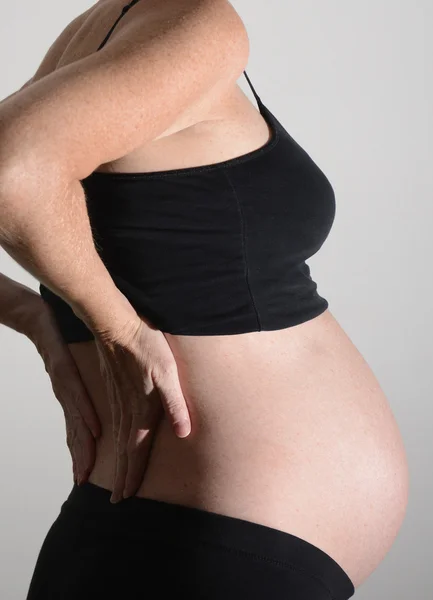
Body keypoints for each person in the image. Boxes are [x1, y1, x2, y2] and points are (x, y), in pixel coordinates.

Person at [0, 0, 409, 598]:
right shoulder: (199, 21)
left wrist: (39, 318)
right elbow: (13, 172)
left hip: (170, 539)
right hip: (208, 545)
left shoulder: (114, 30)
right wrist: (116, 329)